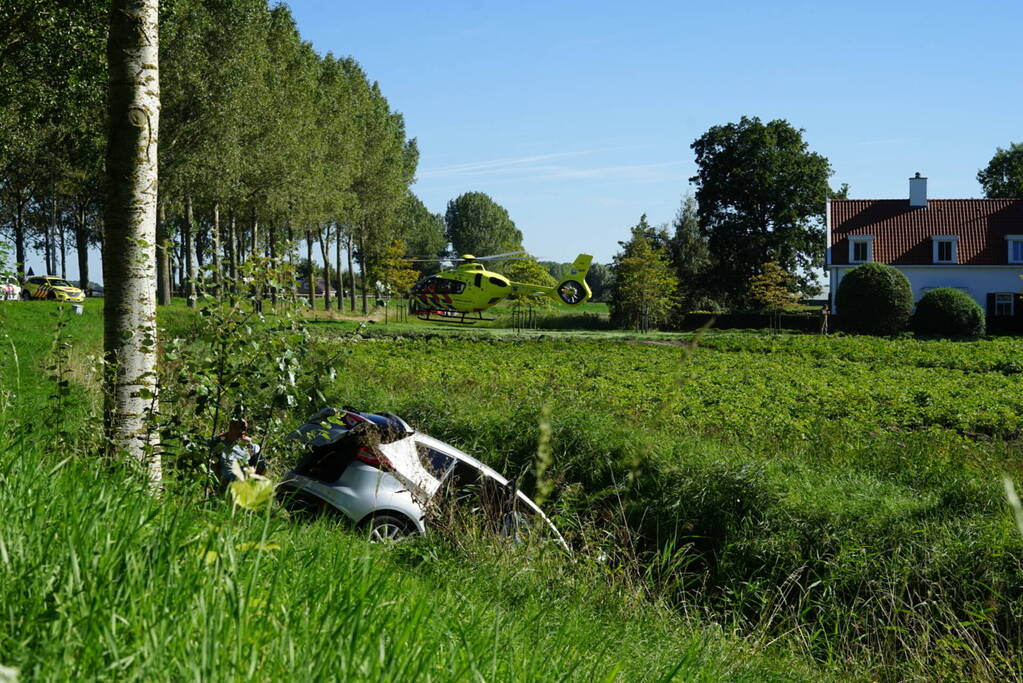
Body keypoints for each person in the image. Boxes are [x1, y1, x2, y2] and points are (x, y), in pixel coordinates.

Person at [210, 418, 265, 484]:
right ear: (231, 428)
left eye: (244, 429)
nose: (242, 431)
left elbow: (261, 467)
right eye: (239, 428)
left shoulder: (251, 446)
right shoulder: (219, 442)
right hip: (225, 481)